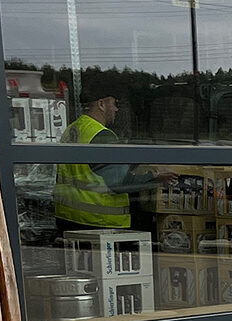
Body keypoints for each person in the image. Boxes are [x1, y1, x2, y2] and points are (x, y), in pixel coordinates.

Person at [54, 91, 173, 234]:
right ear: (101, 104)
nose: (116, 109)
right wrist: (155, 175)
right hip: (99, 222)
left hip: (68, 218)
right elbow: (119, 183)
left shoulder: (72, 129)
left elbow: (92, 169)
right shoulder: (102, 135)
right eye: (114, 103)